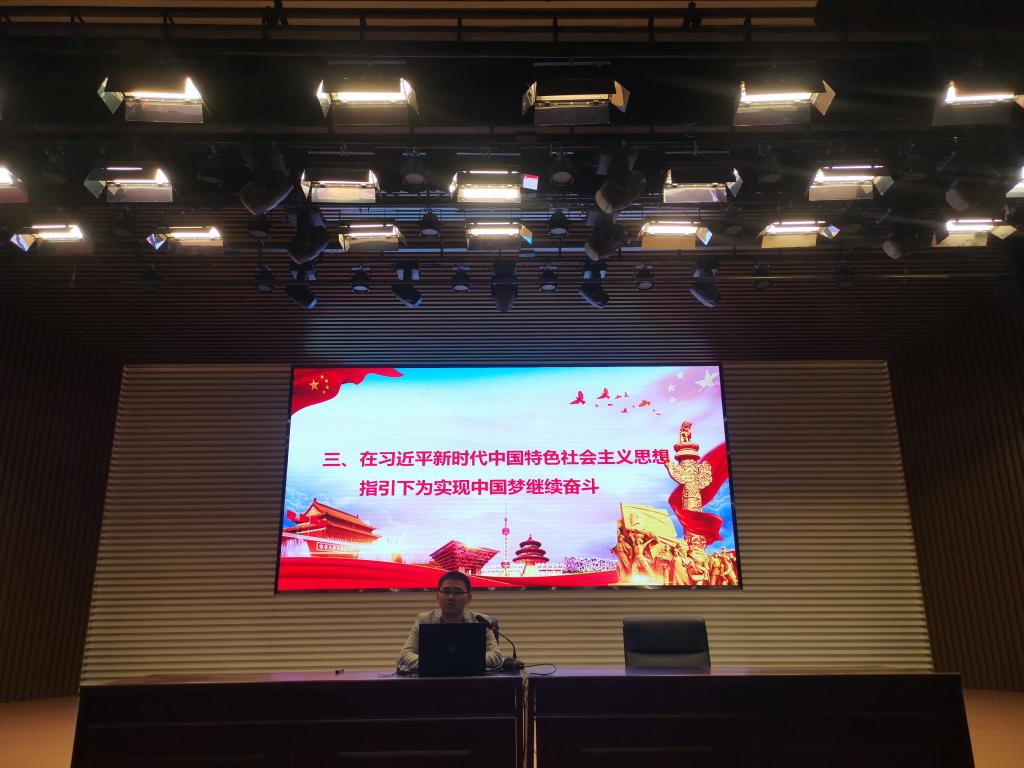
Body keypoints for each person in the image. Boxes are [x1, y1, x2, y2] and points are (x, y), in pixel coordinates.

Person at [396, 570, 502, 673]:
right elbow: (405, 654)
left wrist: (461, 662)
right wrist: (438, 663)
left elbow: (496, 655)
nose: (451, 597)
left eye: (458, 592)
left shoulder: (480, 621)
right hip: (433, 681)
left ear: (468, 598)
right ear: (438, 596)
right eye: (446, 592)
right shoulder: (424, 620)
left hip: (472, 680)